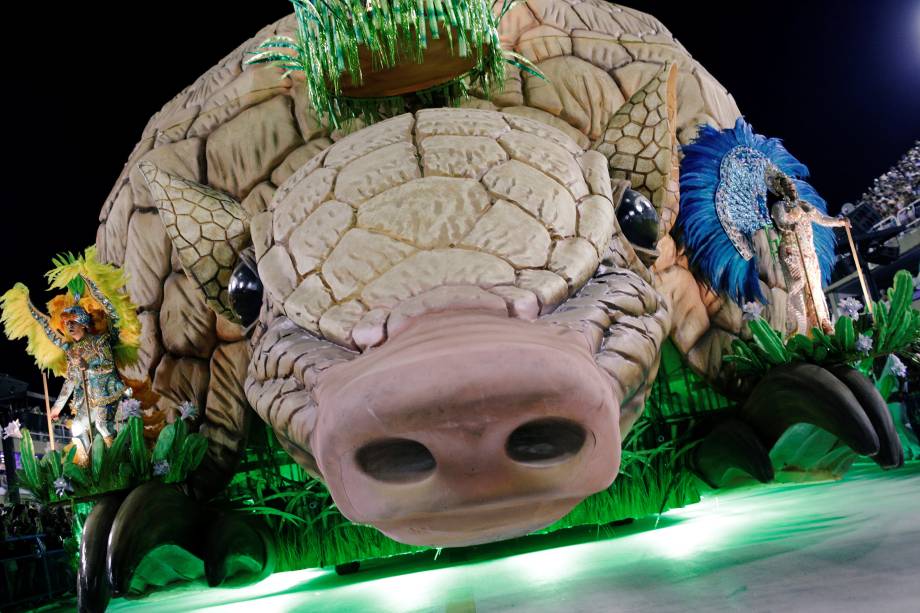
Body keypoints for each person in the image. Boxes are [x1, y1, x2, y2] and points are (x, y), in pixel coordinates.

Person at [43, 277, 131, 461]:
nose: (69, 327)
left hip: (107, 391)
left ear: (83, 323)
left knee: (103, 426)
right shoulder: (72, 351)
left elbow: (108, 365)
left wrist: (88, 366)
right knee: (76, 428)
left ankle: (118, 461)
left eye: (73, 323)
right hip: (88, 399)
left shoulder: (100, 341)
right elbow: (71, 380)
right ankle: (88, 464)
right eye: (67, 325)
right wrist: (56, 408)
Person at [768, 174, 850, 335]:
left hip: (809, 253)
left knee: (814, 288)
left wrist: (839, 222)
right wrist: (797, 212)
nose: (792, 187)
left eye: (792, 184)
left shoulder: (804, 204)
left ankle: (822, 323)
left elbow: (821, 219)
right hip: (791, 252)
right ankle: (801, 330)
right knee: (798, 286)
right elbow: (783, 222)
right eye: (787, 185)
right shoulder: (779, 207)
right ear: (780, 189)